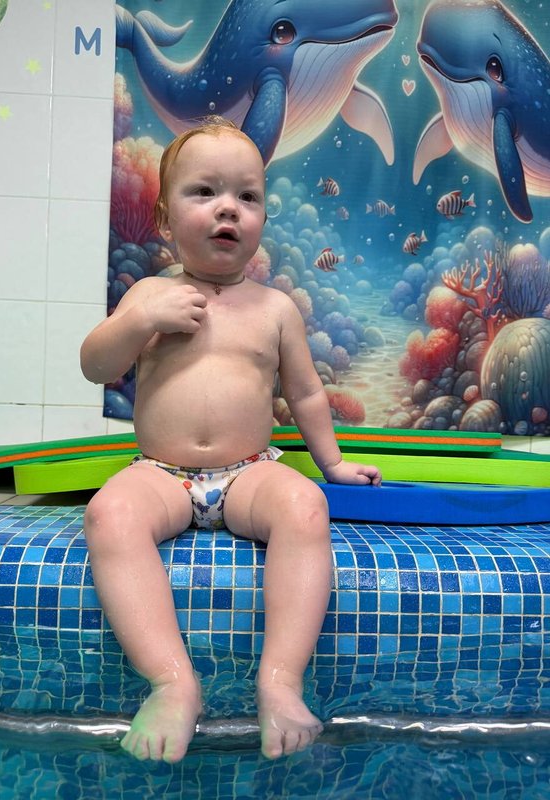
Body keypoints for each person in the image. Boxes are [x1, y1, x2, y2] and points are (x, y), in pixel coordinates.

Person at [80, 116, 382, 764]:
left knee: (305, 507)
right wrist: (139, 319)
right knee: (108, 514)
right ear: (165, 221)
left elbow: (305, 395)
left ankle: (280, 681)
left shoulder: (275, 309)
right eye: (205, 191)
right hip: (162, 474)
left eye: (247, 196)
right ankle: (171, 681)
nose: (228, 208)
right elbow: (96, 366)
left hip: (249, 471)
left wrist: (331, 464)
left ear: (262, 218)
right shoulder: (150, 294)